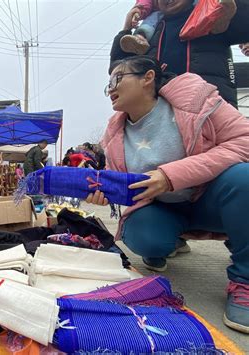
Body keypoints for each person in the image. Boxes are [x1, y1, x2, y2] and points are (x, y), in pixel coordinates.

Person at [86, 55, 249, 333]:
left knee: (243, 178)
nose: (110, 88)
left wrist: (170, 175)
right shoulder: (113, 136)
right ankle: (170, 241)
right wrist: (107, 195)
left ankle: (244, 280)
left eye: (117, 78)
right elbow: (129, 188)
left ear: (148, 78)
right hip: (166, 209)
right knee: (140, 236)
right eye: (107, 84)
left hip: (211, 197)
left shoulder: (197, 102)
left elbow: (243, 142)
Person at [110, 0, 249, 108]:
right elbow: (119, 71)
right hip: (160, 118)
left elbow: (244, 24)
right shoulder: (148, 34)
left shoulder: (211, 16)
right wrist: (126, 29)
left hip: (212, 113)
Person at [119, 0, 237, 55]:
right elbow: (145, 1)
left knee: (205, 7)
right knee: (150, 21)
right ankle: (140, 38)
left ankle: (218, 18)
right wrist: (139, 9)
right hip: (158, 12)